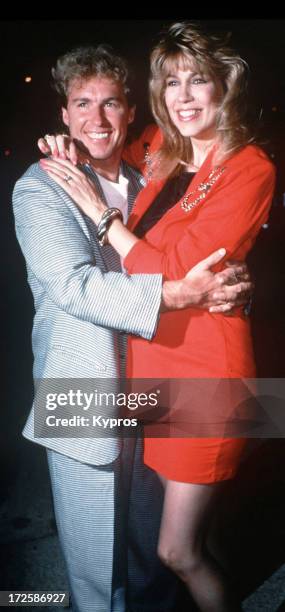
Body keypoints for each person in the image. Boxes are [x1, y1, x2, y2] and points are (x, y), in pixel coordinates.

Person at [39, 23, 276, 612]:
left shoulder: (251, 167)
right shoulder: (160, 152)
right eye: (172, 82)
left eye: (200, 79)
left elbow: (174, 266)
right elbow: (102, 137)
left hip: (207, 372)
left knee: (179, 550)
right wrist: (65, 143)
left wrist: (99, 214)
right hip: (150, 368)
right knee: (175, 532)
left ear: (227, 86)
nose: (185, 95)